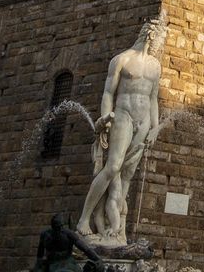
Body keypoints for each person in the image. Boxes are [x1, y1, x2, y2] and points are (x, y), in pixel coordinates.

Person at [77, 14, 167, 246]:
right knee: (112, 167)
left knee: (127, 175)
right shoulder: (122, 60)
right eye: (159, 37)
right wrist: (105, 116)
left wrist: (155, 127)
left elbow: (154, 98)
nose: (160, 43)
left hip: (144, 120)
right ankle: (84, 220)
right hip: (123, 116)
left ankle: (116, 231)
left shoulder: (155, 66)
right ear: (150, 34)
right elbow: (109, 93)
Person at [34, 214, 103, 272]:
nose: (59, 229)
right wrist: (38, 264)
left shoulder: (69, 234)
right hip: (51, 263)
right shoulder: (45, 234)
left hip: (67, 262)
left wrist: (96, 258)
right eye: (56, 227)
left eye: (60, 226)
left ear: (62, 225)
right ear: (52, 226)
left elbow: (84, 248)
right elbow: (40, 252)